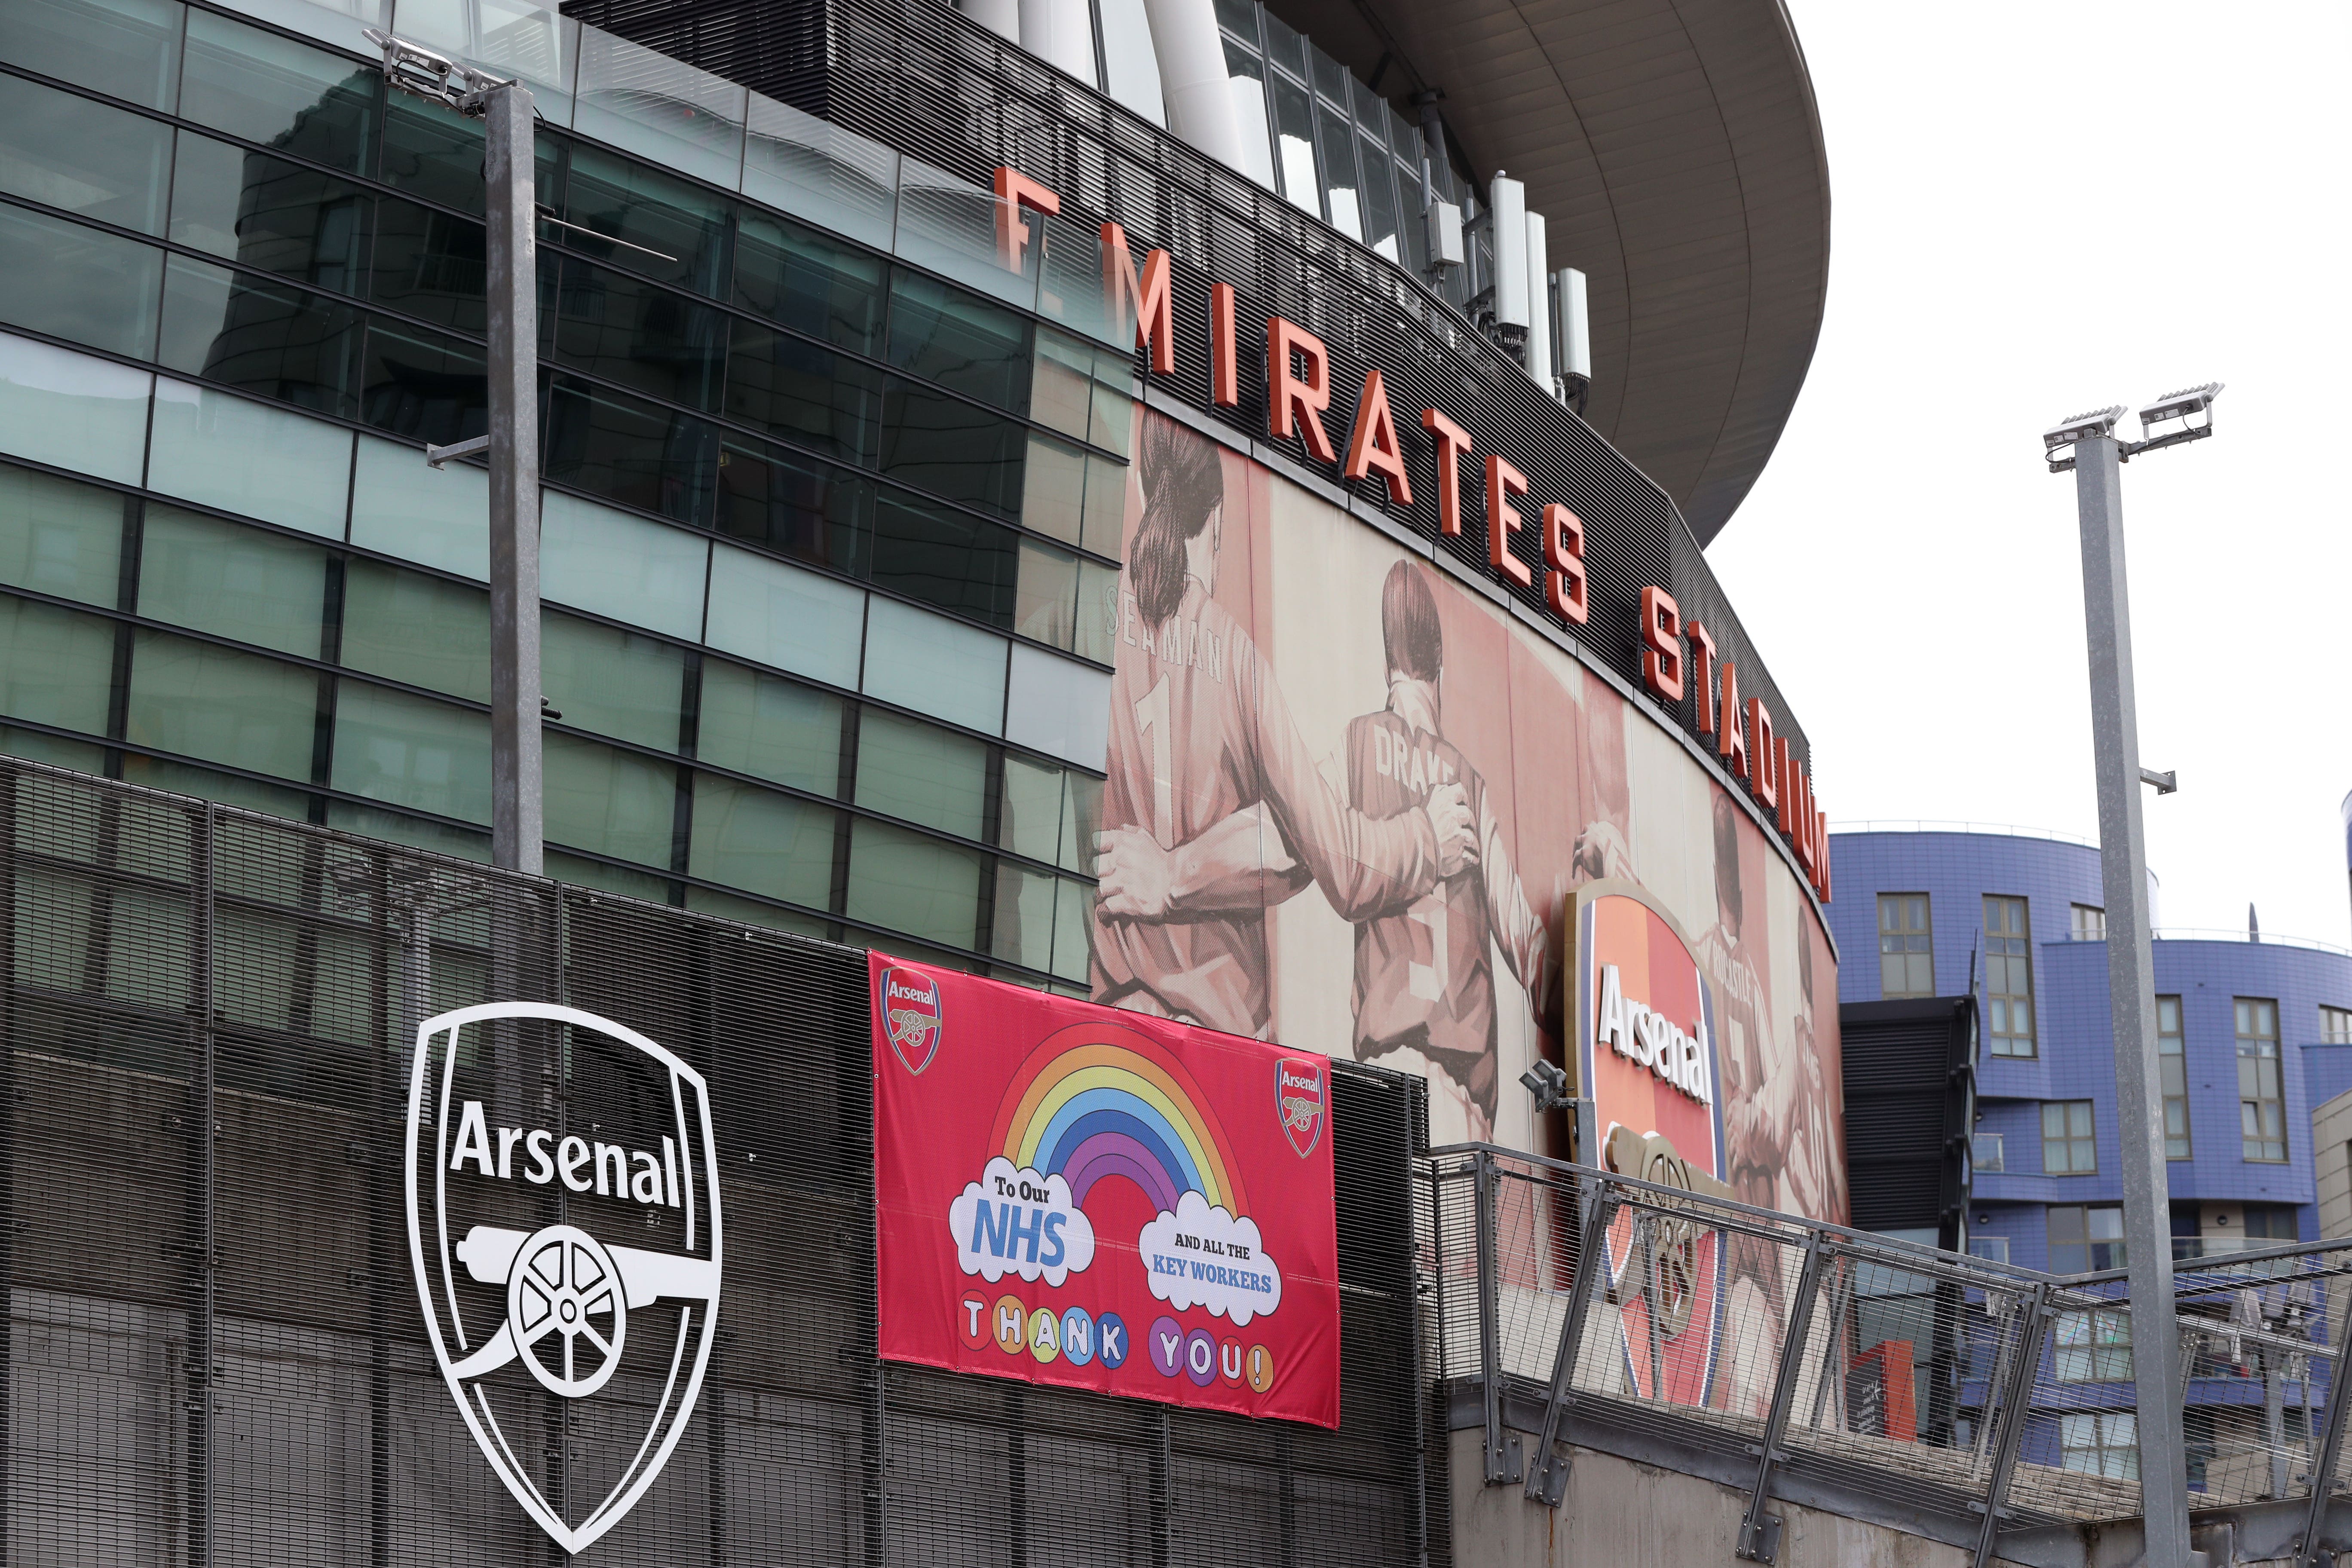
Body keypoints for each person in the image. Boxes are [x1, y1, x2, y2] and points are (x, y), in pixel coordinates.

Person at [1090, 416, 1476, 1038]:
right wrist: (1426, 837)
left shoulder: (1077, 617)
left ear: (1141, 488)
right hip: (1219, 1051)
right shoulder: (1239, 664)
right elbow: (1337, 861)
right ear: (1217, 520)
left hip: (1091, 1025)